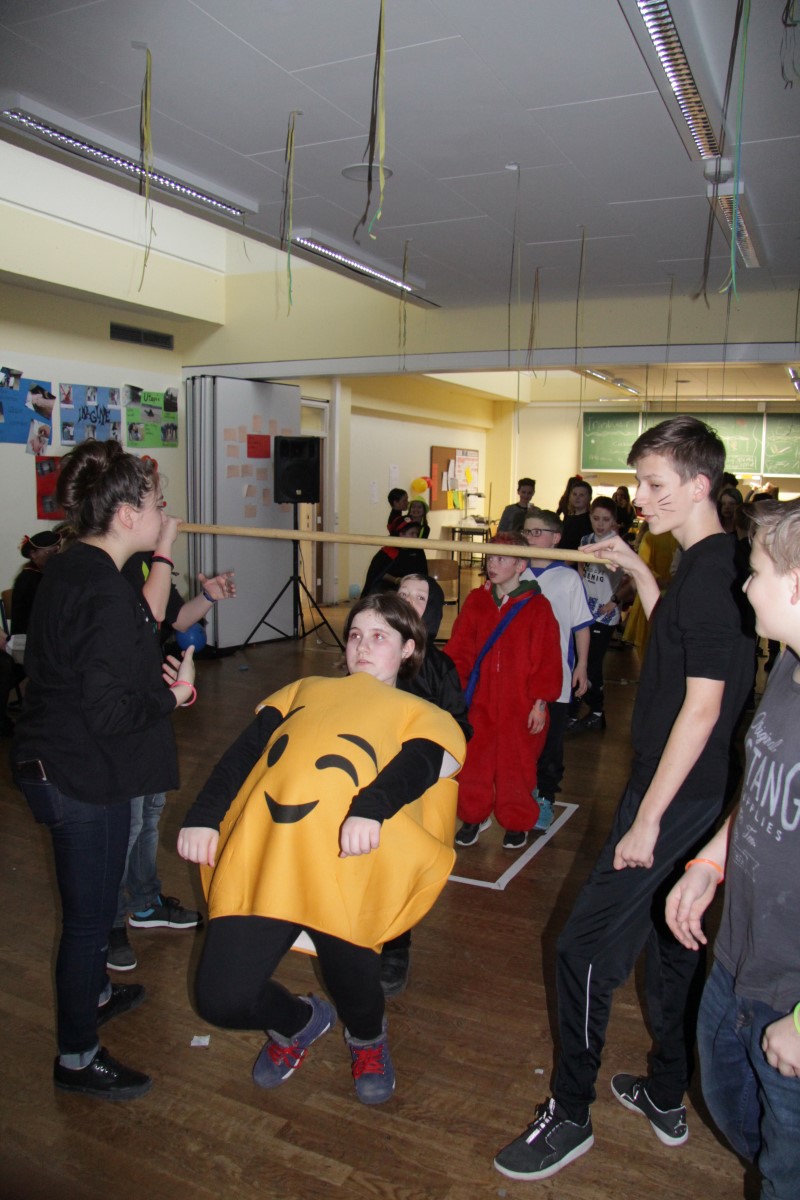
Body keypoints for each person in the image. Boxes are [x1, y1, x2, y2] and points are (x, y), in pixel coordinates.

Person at [494, 416, 753, 1182]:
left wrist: (646, 819)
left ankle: (570, 1112)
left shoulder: (711, 577)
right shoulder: (710, 563)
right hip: (700, 790)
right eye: (639, 482)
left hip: (672, 795)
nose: (640, 497)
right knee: (673, 948)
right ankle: (666, 1091)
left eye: (654, 484)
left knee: (581, 951)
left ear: (699, 485)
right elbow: (682, 638)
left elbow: (702, 709)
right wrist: (640, 574)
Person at [177, 593, 465, 1105]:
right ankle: (299, 1020)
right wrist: (204, 815)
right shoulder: (304, 690)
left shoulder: (421, 712)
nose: (362, 646)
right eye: (355, 635)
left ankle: (367, 1039)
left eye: (379, 636)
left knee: (356, 987)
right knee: (219, 998)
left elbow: (420, 763)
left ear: (408, 649)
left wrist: (371, 807)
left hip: (347, 871)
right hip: (270, 861)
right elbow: (243, 756)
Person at [11, 440, 196, 1101]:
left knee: (92, 908)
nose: (162, 512)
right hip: (77, 775)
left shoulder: (75, 567)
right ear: (124, 514)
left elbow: (115, 654)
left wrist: (152, 679)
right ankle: (77, 1056)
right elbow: (112, 709)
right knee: (89, 920)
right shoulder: (98, 587)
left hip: (78, 763)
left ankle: (93, 993)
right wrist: (173, 696)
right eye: (155, 504)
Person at [664, 497, 800, 1200]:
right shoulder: (789, 671)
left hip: (792, 998)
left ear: (797, 585)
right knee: (732, 1108)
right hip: (739, 960)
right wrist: (711, 862)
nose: (744, 586)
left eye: (755, 572)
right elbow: (765, 788)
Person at [107, 515, 237, 971]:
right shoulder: (114, 562)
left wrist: (208, 596)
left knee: (149, 812)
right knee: (124, 825)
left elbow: (177, 617)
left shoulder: (148, 558)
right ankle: (108, 923)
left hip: (153, 699)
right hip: (122, 708)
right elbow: (153, 612)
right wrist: (164, 545)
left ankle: (144, 902)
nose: (165, 511)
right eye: (155, 502)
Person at [378, 573, 472, 994]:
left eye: (419, 597)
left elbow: (459, 727)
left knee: (400, 862)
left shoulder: (439, 667)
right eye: (403, 594)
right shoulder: (372, 652)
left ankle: (395, 946)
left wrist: (424, 754)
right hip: (370, 769)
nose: (409, 601)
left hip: (414, 783)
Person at [445, 533, 562, 850]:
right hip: (479, 701)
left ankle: (516, 821)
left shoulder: (538, 607)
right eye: (490, 558)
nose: (491, 564)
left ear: (520, 565)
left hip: (520, 704)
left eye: (500, 559)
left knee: (517, 766)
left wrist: (539, 703)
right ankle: (473, 816)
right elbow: (460, 650)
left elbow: (547, 658)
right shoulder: (477, 601)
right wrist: (455, 693)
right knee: (474, 762)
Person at [520, 510, 592, 830]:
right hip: (519, 677)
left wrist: (582, 665)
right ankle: (519, 792)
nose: (530, 538)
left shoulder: (568, 577)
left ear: (556, 538)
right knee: (520, 738)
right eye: (526, 532)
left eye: (537, 532)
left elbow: (581, 626)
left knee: (550, 743)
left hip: (556, 677)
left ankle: (545, 795)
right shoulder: (516, 572)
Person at [567, 497, 632, 734]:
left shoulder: (619, 546)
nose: (600, 524)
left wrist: (614, 600)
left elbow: (632, 580)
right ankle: (574, 710)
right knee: (578, 660)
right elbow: (580, 566)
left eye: (606, 519)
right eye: (596, 518)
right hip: (584, 610)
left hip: (604, 615)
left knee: (591, 664)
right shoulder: (586, 540)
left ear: (614, 521)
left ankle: (595, 711)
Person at [8, 529, 61, 663]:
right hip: (27, 643)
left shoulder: (45, 575)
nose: (56, 556)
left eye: (58, 551)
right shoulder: (29, 579)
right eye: (51, 552)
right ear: (33, 554)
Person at [360, 521, 428, 597]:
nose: (415, 537)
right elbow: (378, 573)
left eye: (416, 534)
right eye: (412, 534)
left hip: (411, 589)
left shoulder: (418, 552)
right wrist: (397, 580)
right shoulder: (389, 551)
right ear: (401, 534)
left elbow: (423, 574)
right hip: (385, 590)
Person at [559, 480, 593, 551]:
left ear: (589, 498)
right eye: (574, 494)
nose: (577, 498)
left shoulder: (590, 520)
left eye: (581, 495)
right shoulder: (568, 517)